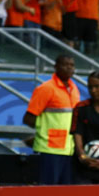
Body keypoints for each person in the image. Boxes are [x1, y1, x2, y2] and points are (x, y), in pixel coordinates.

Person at [23, 55, 80, 185]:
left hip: (69, 149)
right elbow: (29, 118)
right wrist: (43, 131)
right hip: (49, 150)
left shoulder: (74, 89)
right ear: (55, 67)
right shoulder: (46, 88)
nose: (69, 68)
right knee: (47, 191)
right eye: (65, 64)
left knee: (64, 193)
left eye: (72, 65)